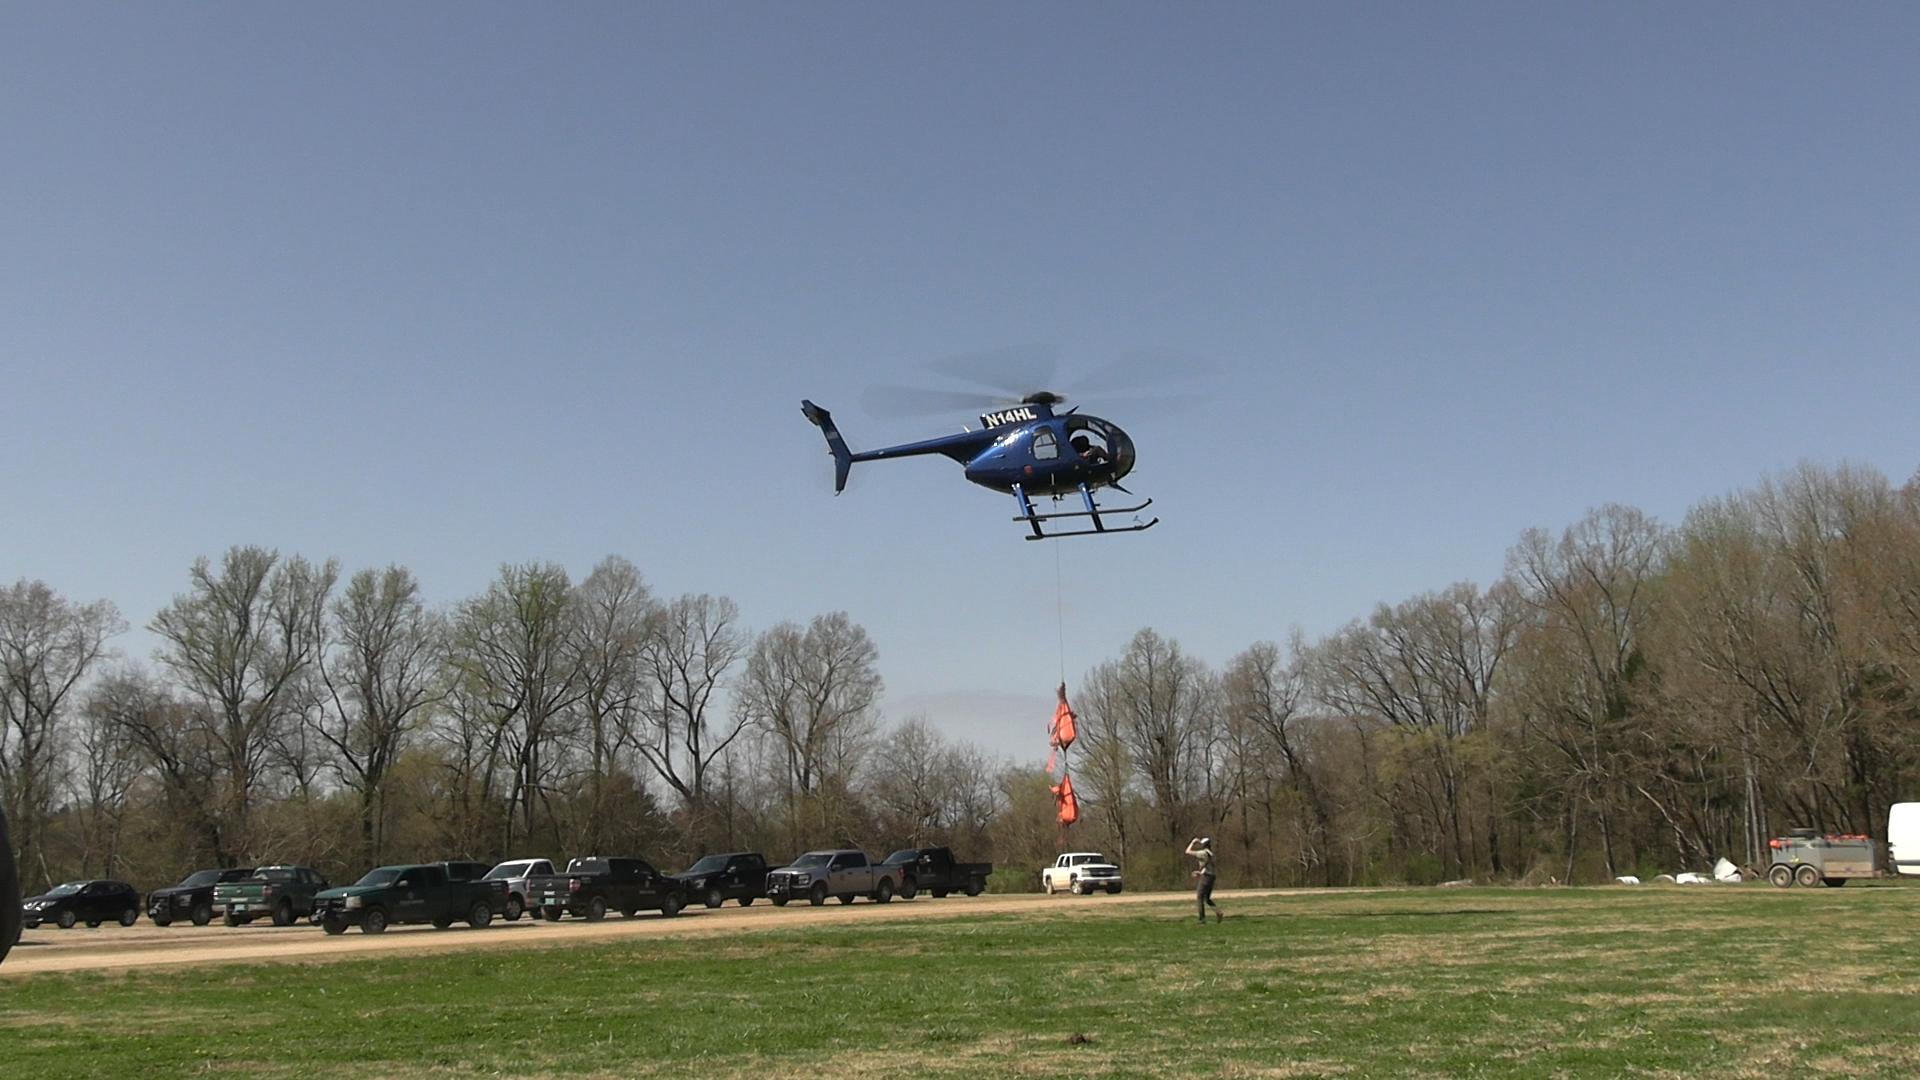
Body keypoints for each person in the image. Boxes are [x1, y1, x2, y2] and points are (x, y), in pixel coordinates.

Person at [1185, 836, 1221, 923]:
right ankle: (1218, 911)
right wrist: (1200, 872)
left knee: (1200, 897)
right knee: (1207, 899)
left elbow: (1187, 851)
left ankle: (1202, 919)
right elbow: (1209, 866)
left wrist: (1193, 842)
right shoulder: (1211, 854)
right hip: (1212, 877)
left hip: (1205, 877)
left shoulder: (1202, 853)